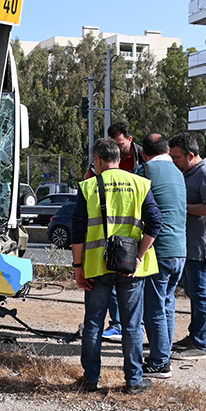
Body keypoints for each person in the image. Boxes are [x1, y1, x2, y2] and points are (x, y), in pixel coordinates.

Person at [72, 138, 162, 394]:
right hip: (131, 269)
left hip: (97, 267)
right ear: (120, 159)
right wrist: (139, 256)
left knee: (93, 323)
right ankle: (134, 381)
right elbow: (156, 222)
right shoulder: (140, 184)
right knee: (132, 325)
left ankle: (90, 379)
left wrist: (78, 266)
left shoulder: (88, 187)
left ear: (98, 160)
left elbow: (77, 231)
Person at [135, 134, 187, 378]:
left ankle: (159, 362)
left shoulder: (144, 170)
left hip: (158, 250)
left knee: (154, 308)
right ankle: (163, 355)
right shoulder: (179, 172)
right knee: (167, 304)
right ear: (167, 149)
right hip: (180, 250)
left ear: (144, 153)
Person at [168, 133, 206, 361]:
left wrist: (182, 206)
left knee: (200, 295)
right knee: (192, 293)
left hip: (200, 247)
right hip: (188, 246)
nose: (174, 162)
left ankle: (200, 344)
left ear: (190, 155)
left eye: (177, 157)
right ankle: (193, 336)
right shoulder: (189, 172)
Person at [102, 121, 148, 340]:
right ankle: (118, 323)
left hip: (133, 228)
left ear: (129, 140)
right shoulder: (106, 155)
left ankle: (136, 326)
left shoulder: (143, 158)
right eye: (114, 145)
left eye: (120, 144)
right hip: (111, 226)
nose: (117, 149)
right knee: (112, 274)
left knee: (134, 281)